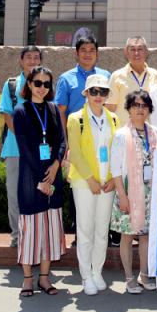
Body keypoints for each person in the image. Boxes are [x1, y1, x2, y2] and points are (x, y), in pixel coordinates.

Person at [12, 66, 66, 298]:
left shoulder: (53, 109)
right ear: (29, 84)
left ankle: (44, 278)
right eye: (37, 83)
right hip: (30, 180)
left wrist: (55, 166)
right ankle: (27, 279)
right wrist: (40, 179)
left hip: (53, 177)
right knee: (30, 232)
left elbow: (62, 141)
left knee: (50, 231)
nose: (42, 88)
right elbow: (25, 148)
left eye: (46, 84)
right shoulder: (20, 111)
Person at [66, 74, 119, 296]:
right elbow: (75, 153)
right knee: (85, 230)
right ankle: (86, 275)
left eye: (103, 91)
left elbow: (116, 150)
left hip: (107, 183)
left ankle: (97, 272)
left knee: (102, 231)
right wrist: (90, 180)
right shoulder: (75, 119)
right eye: (94, 91)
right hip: (84, 182)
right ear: (86, 93)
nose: (98, 96)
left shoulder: (113, 119)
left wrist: (113, 179)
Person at [55, 33, 111, 237]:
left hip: (102, 140)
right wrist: (66, 143)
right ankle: (79, 231)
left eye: (92, 50)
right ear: (76, 54)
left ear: (97, 53)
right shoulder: (66, 78)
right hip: (77, 141)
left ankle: (101, 233)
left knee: (102, 183)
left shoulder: (106, 76)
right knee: (79, 183)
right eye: (83, 50)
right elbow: (60, 111)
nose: (88, 54)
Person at [110, 90, 157, 294]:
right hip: (128, 190)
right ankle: (129, 278)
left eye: (144, 105)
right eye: (136, 105)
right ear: (129, 109)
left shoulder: (154, 133)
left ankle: (144, 275)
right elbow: (115, 169)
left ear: (149, 109)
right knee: (127, 236)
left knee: (146, 235)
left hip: (150, 190)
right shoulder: (121, 135)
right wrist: (122, 196)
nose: (140, 109)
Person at [0, 45, 42, 247]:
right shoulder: (11, 85)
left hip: (40, 150)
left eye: (36, 57)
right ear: (21, 60)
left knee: (39, 192)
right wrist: (26, 139)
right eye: (29, 57)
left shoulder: (44, 83)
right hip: (15, 148)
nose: (33, 61)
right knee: (15, 193)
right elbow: (7, 115)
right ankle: (17, 235)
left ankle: (36, 234)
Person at [107, 36, 157, 127]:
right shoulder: (117, 76)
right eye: (132, 49)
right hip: (124, 131)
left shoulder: (156, 75)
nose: (136, 53)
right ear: (126, 53)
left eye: (140, 49)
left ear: (146, 52)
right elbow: (110, 109)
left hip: (149, 131)